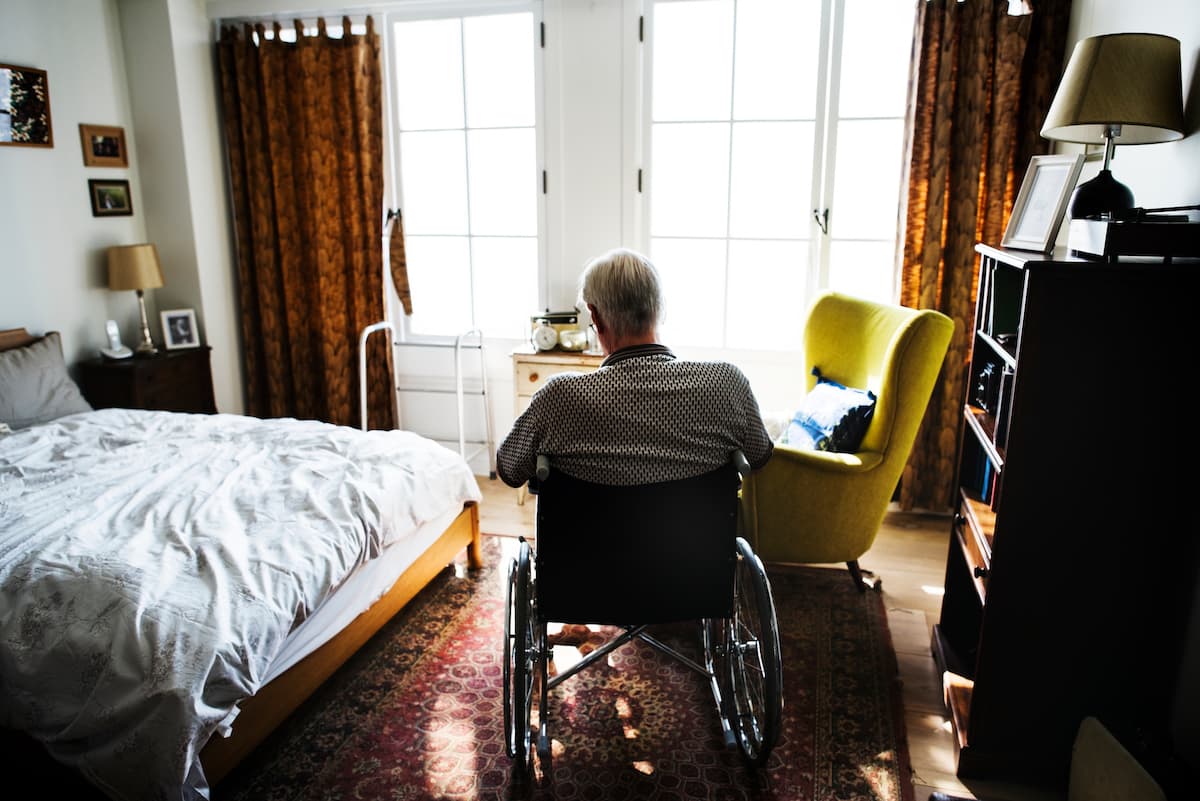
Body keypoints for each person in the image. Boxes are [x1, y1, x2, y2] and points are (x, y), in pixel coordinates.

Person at [497, 248, 773, 488]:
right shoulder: (727, 383)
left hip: (596, 536)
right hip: (697, 536)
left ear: (596, 317)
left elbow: (509, 469)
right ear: (661, 309)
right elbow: (760, 456)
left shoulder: (560, 396)